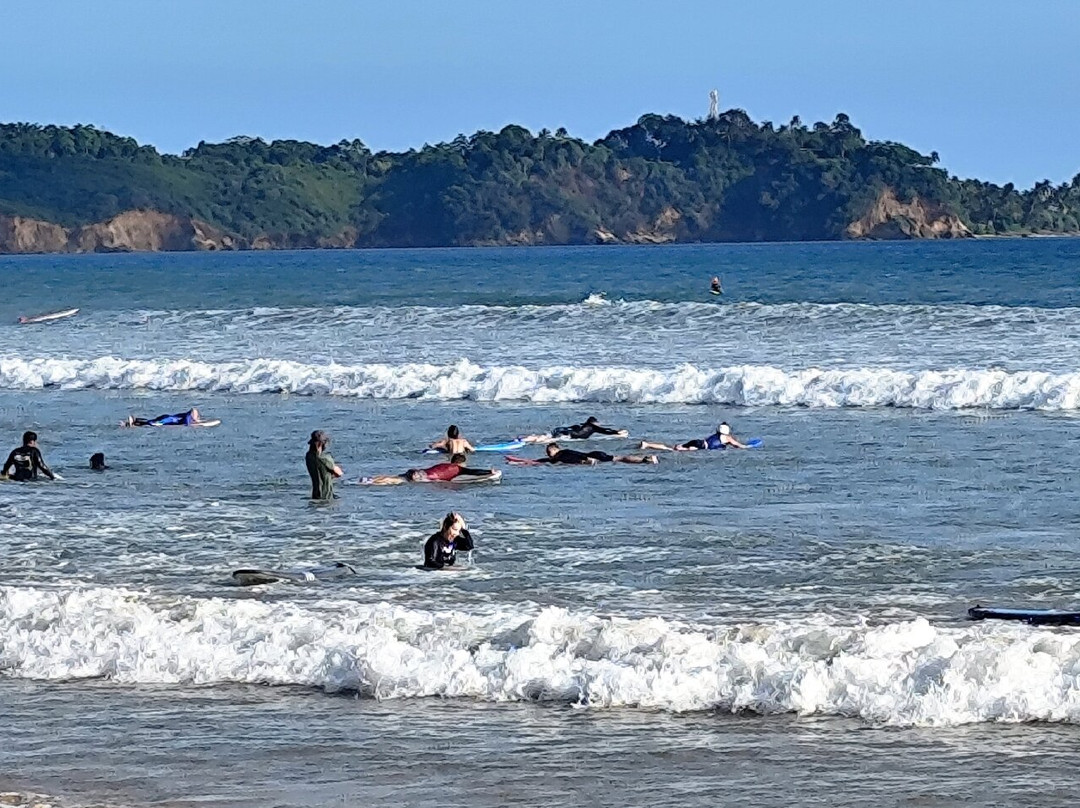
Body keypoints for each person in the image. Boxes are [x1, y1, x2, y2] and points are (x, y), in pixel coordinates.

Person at [363, 453, 495, 485]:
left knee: (396, 477)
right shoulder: (458, 469)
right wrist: (490, 472)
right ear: (461, 463)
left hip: (418, 471)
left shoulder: (445, 464)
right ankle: (372, 482)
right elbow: (474, 472)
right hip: (422, 477)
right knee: (395, 481)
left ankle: (371, 478)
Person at [639, 422, 749, 452]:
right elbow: (738, 445)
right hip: (700, 446)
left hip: (698, 442)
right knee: (673, 450)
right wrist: (747, 447)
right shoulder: (728, 438)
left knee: (673, 448)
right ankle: (648, 445)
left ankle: (647, 444)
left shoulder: (717, 436)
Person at [524, 442, 657, 465]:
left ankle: (645, 460)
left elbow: (574, 454)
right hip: (593, 455)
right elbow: (547, 461)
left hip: (591, 456)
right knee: (620, 458)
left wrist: (586, 459)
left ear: (555, 448)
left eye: (549, 451)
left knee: (620, 459)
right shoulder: (558, 457)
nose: (548, 453)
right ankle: (645, 460)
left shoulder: (562, 453)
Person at [520, 416, 629, 443]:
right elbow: (606, 431)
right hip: (570, 434)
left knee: (548, 436)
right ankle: (534, 440)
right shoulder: (593, 427)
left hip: (564, 431)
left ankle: (527, 438)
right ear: (593, 422)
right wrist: (617, 432)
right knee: (550, 440)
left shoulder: (583, 426)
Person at [305, 430, 343, 500]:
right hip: (326, 496)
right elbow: (339, 473)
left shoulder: (308, 456)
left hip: (315, 495)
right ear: (322, 444)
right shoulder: (325, 458)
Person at [123, 408, 208, 427]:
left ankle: (135, 420)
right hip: (168, 419)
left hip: (167, 417)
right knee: (153, 423)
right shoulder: (187, 417)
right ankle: (134, 423)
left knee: (151, 421)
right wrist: (194, 424)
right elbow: (187, 422)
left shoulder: (187, 415)